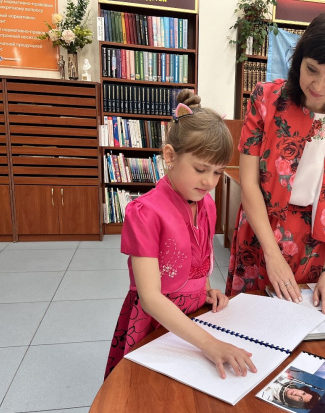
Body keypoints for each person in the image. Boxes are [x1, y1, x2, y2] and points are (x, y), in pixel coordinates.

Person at [226, 9, 325, 315]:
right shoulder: (266, 99)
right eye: (312, 69)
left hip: (319, 247)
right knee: (251, 319)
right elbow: (249, 183)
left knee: (312, 324)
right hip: (261, 230)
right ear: (299, 59)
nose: (318, 85)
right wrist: (271, 253)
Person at [105, 90, 257, 380]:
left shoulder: (207, 204)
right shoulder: (145, 212)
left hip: (196, 314)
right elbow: (150, 297)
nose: (209, 181)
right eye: (201, 169)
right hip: (156, 321)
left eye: (217, 172)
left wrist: (206, 289)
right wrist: (210, 345)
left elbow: (200, 259)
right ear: (170, 156)